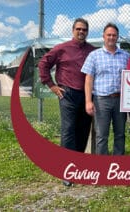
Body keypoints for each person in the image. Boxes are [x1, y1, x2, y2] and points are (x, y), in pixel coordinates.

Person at [38, 18, 95, 186]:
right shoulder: (62, 48)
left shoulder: (92, 51)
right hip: (67, 94)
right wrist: (51, 85)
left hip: (86, 95)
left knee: (83, 130)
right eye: (78, 29)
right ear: (73, 30)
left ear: (87, 32)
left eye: (84, 29)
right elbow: (43, 64)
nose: (81, 32)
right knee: (68, 130)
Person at [81, 23, 130, 155]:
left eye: (114, 35)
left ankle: (117, 164)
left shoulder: (125, 56)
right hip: (101, 100)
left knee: (120, 134)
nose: (111, 37)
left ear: (118, 37)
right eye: (109, 35)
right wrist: (88, 101)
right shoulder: (94, 55)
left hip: (120, 100)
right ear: (103, 36)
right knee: (102, 135)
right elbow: (88, 79)